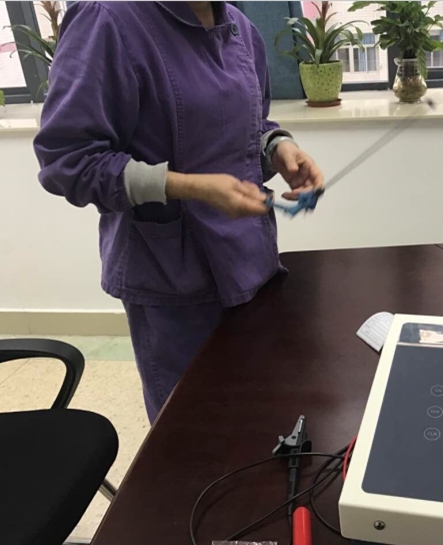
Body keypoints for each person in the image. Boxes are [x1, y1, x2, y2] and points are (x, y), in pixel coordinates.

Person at [33, 2, 324, 423]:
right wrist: (186, 186)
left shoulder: (239, 27)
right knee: (193, 434)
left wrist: (278, 147)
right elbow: (68, 162)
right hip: (170, 280)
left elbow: (249, 126)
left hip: (250, 263)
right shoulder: (107, 20)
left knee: (258, 418)